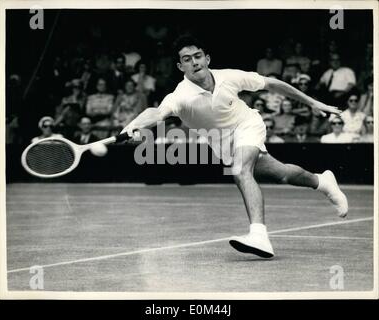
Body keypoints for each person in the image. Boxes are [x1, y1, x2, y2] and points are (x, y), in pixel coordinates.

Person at [121, 35, 348, 258]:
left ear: (208, 59)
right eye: (187, 59)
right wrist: (134, 126)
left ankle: (259, 235)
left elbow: (271, 84)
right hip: (224, 145)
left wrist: (313, 102)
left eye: (198, 56)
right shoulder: (181, 96)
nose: (195, 62)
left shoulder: (229, 77)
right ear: (181, 66)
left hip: (247, 125)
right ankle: (322, 182)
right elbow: (157, 113)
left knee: (240, 171)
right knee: (283, 174)